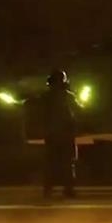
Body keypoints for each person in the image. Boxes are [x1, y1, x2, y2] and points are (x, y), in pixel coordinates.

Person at [42, 69, 79, 198]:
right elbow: (78, 111)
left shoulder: (45, 98)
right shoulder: (68, 96)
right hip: (64, 134)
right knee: (66, 163)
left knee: (52, 163)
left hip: (53, 134)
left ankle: (49, 189)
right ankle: (67, 189)